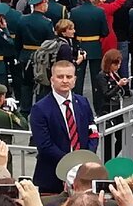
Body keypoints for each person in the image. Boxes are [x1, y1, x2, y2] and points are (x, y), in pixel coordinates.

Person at [31, 58, 99, 192]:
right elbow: (44, 145)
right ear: (52, 80)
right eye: (60, 77)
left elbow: (93, 132)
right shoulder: (40, 109)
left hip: (84, 175)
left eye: (69, 77)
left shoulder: (83, 102)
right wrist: (71, 163)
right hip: (52, 177)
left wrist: (86, 158)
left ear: (74, 79)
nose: (65, 80)